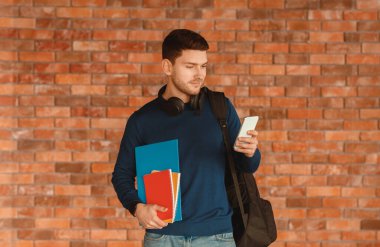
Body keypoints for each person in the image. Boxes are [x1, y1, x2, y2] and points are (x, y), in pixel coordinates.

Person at [112, 29, 261, 247]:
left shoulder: (221, 108)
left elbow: (248, 165)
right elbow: (121, 175)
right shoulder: (142, 120)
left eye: (203, 66)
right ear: (167, 67)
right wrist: (137, 207)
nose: (199, 74)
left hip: (218, 237)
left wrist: (250, 152)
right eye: (190, 67)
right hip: (162, 238)